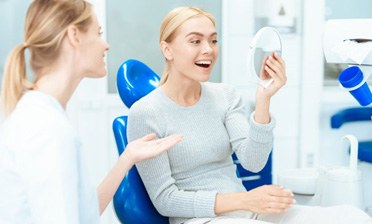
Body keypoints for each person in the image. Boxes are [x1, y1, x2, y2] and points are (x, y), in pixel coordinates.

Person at [126, 6, 372, 224]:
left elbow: (253, 162)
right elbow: (166, 201)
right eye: (195, 41)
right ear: (167, 49)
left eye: (213, 41)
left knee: (353, 217)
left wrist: (264, 99)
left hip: (246, 211)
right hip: (199, 219)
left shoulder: (225, 96)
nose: (208, 50)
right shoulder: (146, 112)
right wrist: (244, 201)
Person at [0, 0, 182, 223]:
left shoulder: (40, 115)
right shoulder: (46, 128)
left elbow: (82, 212)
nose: (106, 45)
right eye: (98, 33)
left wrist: (128, 157)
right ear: (74, 35)